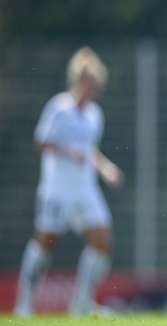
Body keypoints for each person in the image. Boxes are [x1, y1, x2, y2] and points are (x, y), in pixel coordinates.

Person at [14, 47, 124, 317]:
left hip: (85, 189)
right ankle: (24, 304)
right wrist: (67, 150)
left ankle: (82, 303)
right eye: (90, 84)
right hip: (57, 190)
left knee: (103, 242)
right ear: (79, 81)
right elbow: (41, 141)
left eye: (97, 85)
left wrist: (106, 168)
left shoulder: (95, 115)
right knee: (46, 243)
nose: (93, 90)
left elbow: (90, 150)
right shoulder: (59, 108)